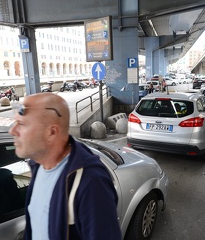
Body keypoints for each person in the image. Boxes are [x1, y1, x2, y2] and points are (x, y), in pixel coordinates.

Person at [8, 93, 121, 240]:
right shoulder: (38, 165)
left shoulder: (90, 182)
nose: (12, 131)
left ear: (51, 132)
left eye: (22, 124)